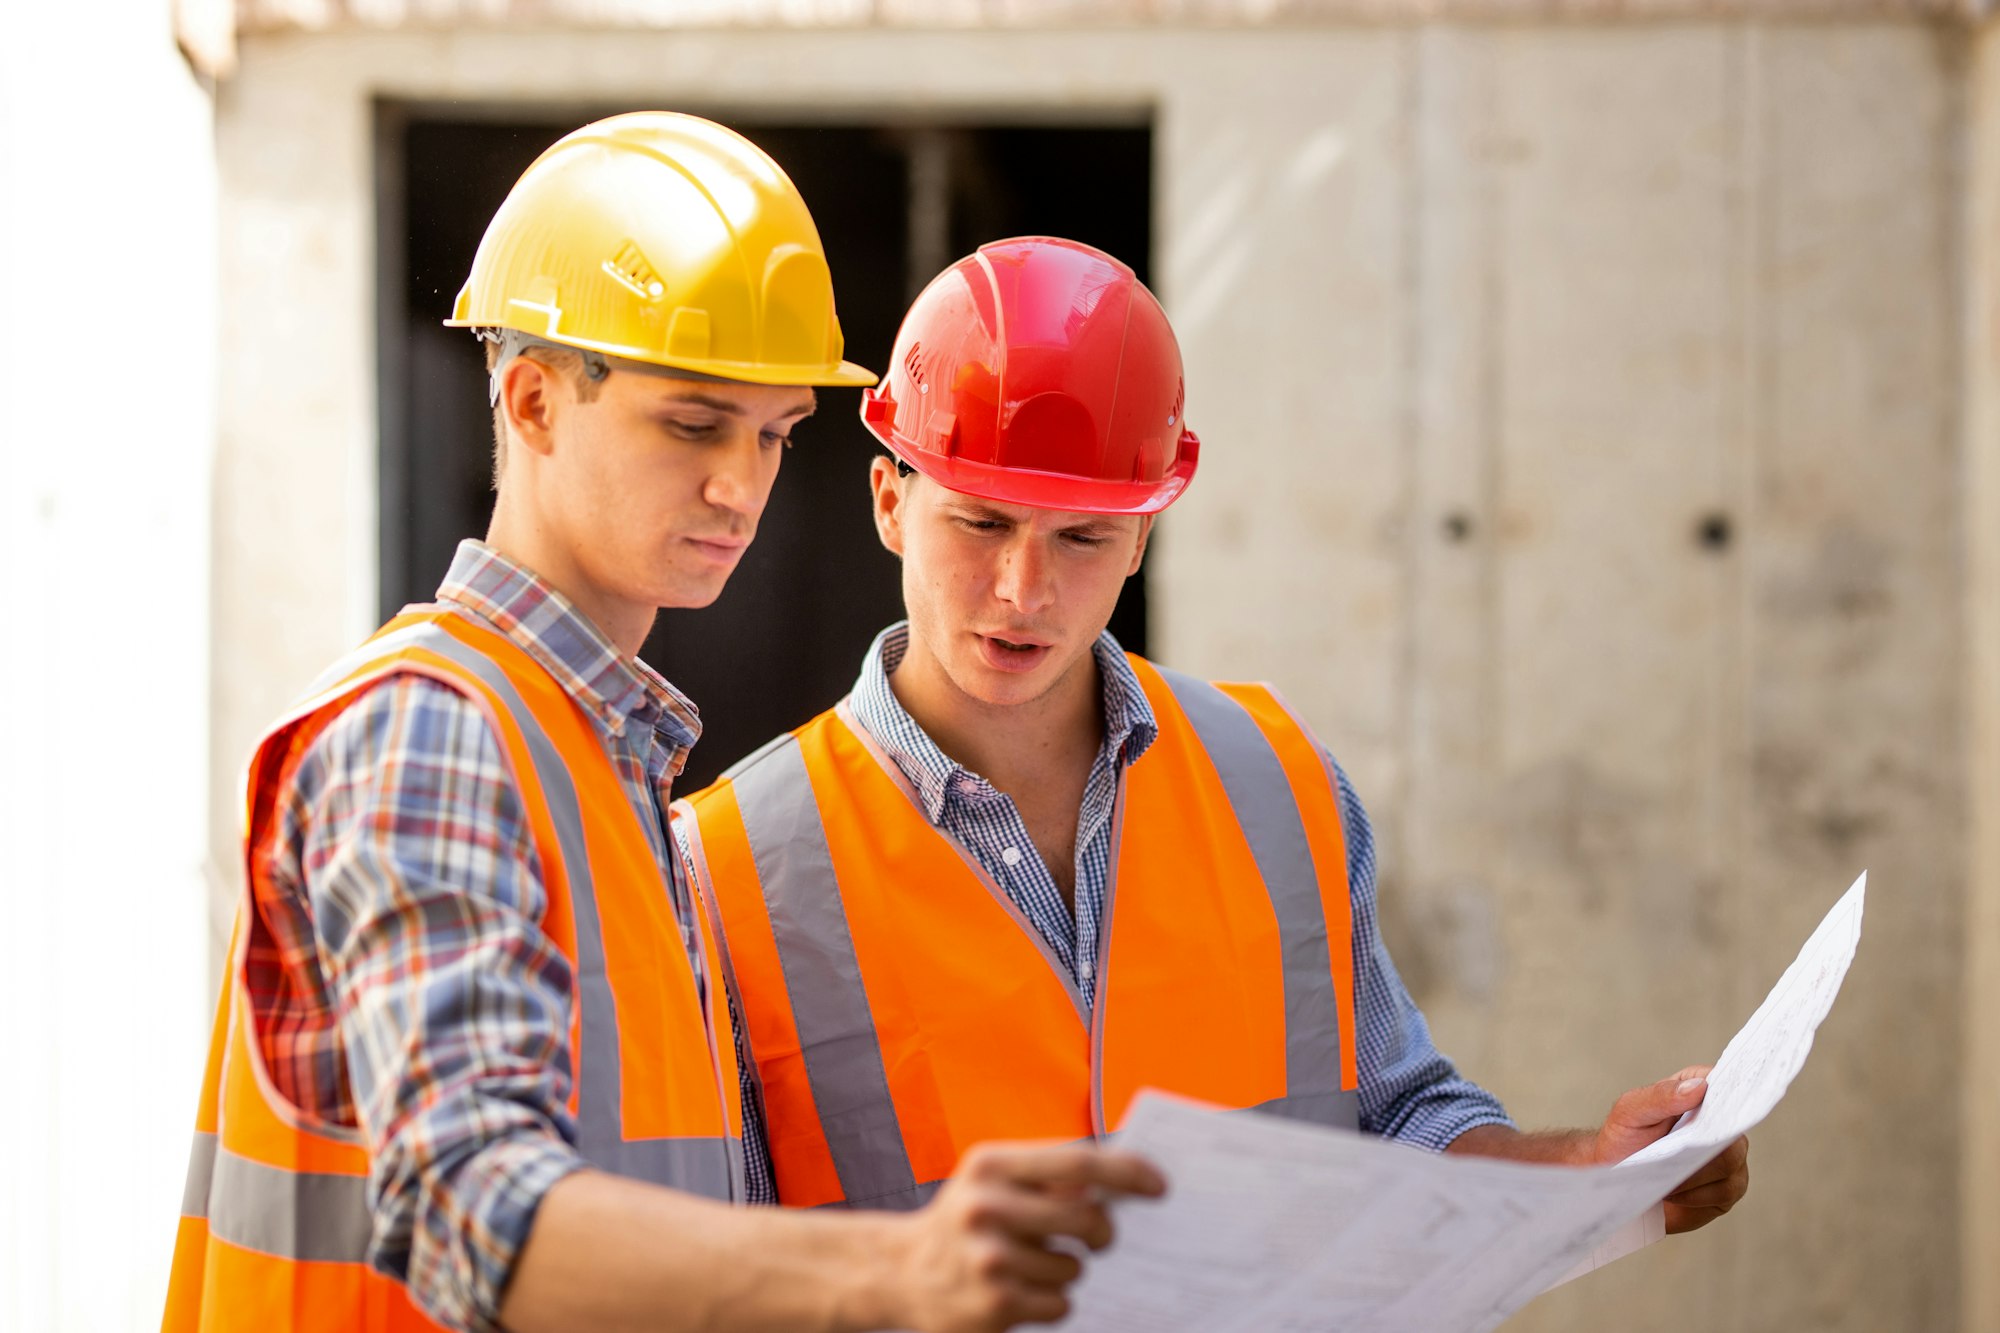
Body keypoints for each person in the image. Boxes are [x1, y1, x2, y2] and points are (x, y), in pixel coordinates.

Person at [164, 124, 1160, 1333]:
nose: (740, 484)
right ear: (531, 399)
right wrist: (891, 1274)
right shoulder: (433, 731)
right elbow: (474, 1206)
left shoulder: (613, 769)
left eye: (774, 433)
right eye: (693, 425)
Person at [673, 236, 1750, 1227]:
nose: (1022, 588)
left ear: (1142, 536)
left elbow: (1397, 1119)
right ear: (888, 502)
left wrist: (1585, 1169)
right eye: (980, 520)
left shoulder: (1272, 781)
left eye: (1083, 537)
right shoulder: (728, 870)